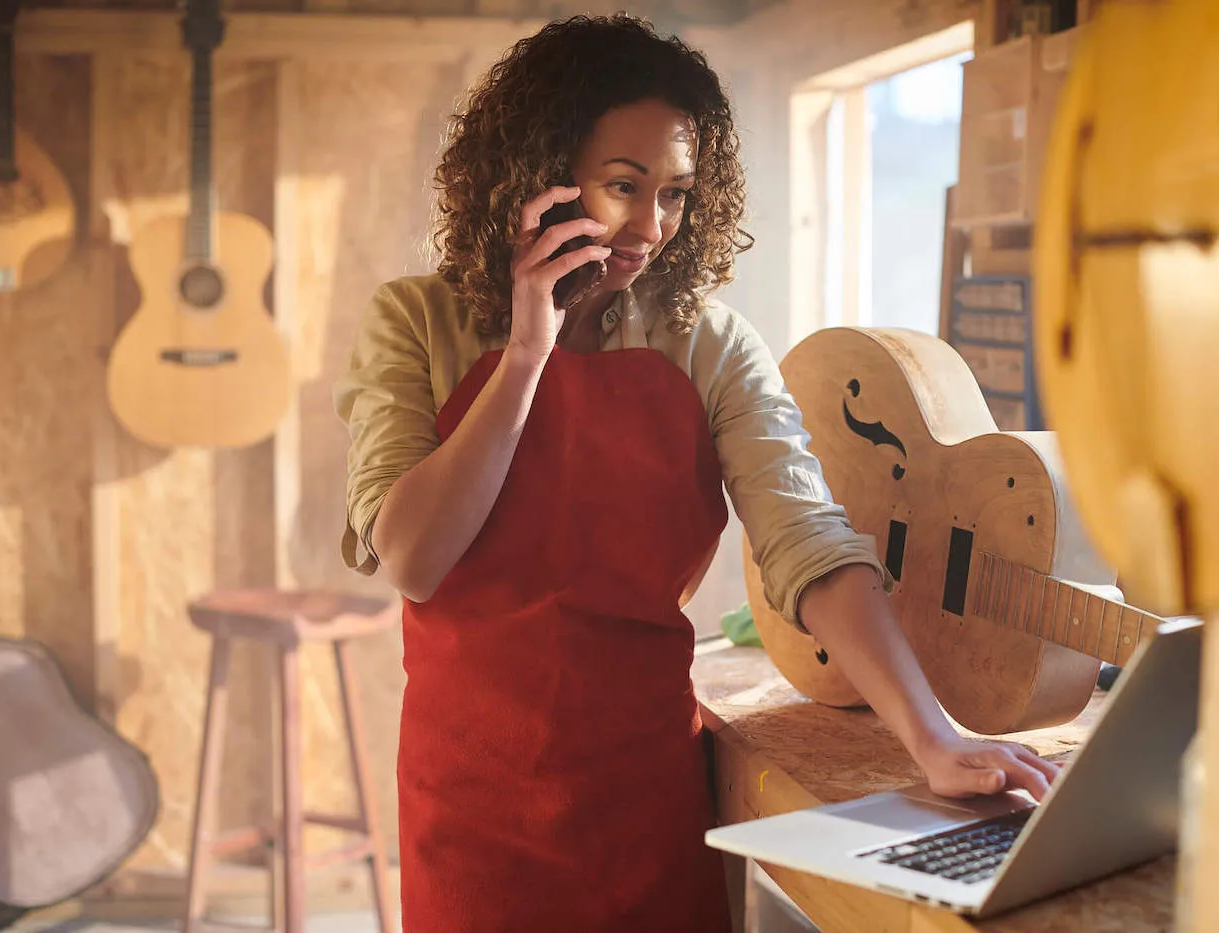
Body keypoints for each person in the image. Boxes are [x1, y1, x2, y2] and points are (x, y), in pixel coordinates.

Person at [334, 14, 1058, 933]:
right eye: (622, 187)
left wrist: (935, 738)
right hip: (473, 802)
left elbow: (807, 539)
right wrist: (528, 351)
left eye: (676, 192)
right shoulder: (415, 323)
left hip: (646, 793)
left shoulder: (709, 344)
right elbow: (413, 556)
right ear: (540, 179)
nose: (651, 226)